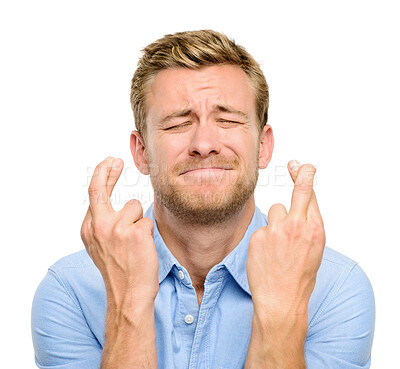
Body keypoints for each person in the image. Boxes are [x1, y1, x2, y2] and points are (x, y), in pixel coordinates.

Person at [31, 30, 375, 369]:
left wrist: (281, 309)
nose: (205, 143)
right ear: (142, 152)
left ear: (263, 146)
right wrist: (129, 303)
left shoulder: (337, 288)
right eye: (178, 124)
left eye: (227, 120)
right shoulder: (70, 290)